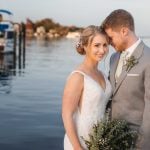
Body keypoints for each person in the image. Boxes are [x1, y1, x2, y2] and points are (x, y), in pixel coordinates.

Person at [102, 9, 150, 150]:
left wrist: (142, 146)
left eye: (110, 37)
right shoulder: (113, 58)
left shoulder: (148, 59)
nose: (109, 42)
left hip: (136, 140)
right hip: (111, 138)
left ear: (124, 31)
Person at [62, 25, 112, 150]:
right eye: (97, 45)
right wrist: (78, 147)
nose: (102, 50)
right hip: (79, 140)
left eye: (105, 45)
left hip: (99, 140)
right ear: (85, 46)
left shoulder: (103, 75)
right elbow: (66, 114)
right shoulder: (78, 76)